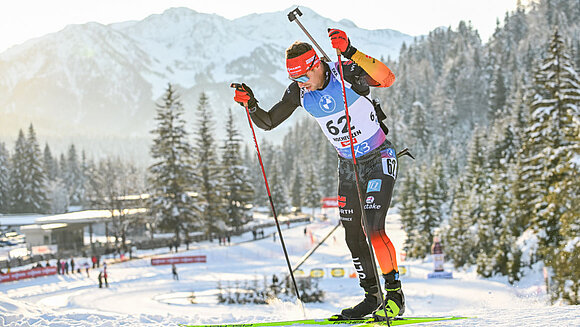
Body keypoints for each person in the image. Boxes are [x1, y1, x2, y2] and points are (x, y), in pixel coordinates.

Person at [232, 28, 404, 320]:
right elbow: (269, 121)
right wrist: (251, 105)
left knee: (373, 227)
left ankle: (395, 297)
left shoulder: (346, 72)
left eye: (303, 77)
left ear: (315, 66)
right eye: (294, 79)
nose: (300, 84)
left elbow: (387, 78)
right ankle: (371, 297)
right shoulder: (299, 92)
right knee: (352, 233)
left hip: (378, 157)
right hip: (347, 165)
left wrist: (351, 51)